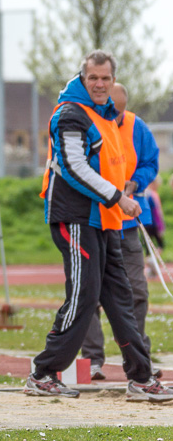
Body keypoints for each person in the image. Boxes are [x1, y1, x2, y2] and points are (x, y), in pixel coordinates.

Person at [26, 50, 173, 402]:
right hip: (75, 217)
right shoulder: (69, 114)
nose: (100, 83)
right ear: (82, 77)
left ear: (113, 79)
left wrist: (125, 195)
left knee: (121, 298)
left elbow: (117, 165)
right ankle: (43, 372)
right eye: (93, 77)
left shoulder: (107, 116)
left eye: (105, 78)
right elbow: (74, 167)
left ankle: (141, 377)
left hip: (105, 221)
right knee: (84, 295)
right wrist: (117, 197)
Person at [79, 82, 159, 381]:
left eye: (121, 111)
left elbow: (151, 162)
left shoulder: (138, 126)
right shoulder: (84, 122)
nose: (117, 116)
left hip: (127, 223)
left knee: (137, 290)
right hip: (93, 219)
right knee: (89, 291)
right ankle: (92, 360)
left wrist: (136, 182)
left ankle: (138, 356)